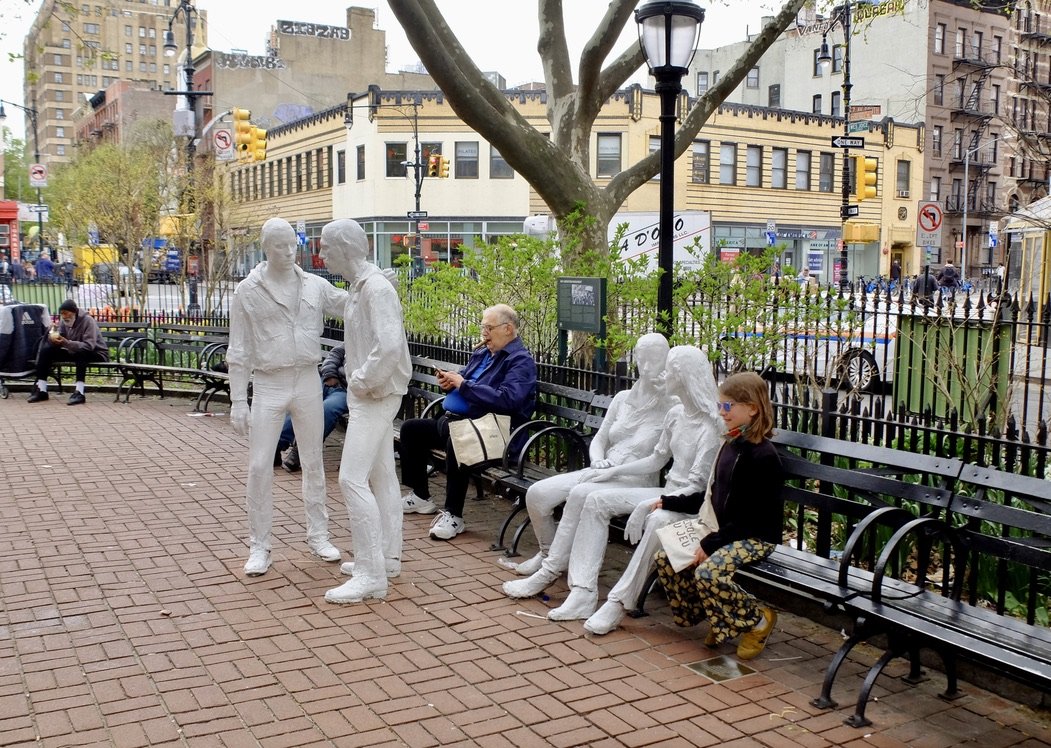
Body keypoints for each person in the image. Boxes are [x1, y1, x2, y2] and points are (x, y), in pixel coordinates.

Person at [504, 346, 724, 623]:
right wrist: (610, 471)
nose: (663, 374)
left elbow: (698, 487)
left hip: (691, 504)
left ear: (684, 376)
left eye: (668, 368)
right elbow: (656, 459)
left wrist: (650, 503)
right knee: (594, 499)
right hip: (666, 492)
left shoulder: (711, 425)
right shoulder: (677, 415)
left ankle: (618, 602)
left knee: (657, 518)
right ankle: (582, 591)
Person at [228, 217, 348, 577]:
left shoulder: (313, 285)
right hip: (268, 383)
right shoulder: (248, 291)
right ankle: (259, 545)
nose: (286, 252)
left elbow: (348, 303)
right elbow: (239, 349)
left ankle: (319, 534)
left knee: (313, 461)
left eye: (291, 245)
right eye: (279, 246)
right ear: (266, 247)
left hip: (307, 380)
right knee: (259, 465)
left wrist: (372, 283)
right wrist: (237, 400)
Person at [502, 333, 675, 578]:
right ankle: (548, 553)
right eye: (642, 359)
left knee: (580, 493)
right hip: (602, 469)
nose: (646, 367)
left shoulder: (672, 406)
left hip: (634, 479)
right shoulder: (623, 399)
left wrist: (667, 395)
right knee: (538, 494)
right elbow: (600, 439)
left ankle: (554, 565)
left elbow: (661, 458)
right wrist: (597, 460)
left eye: (654, 359)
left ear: (666, 361)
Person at [653, 371, 786, 660]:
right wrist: (670, 501)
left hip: (755, 535)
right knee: (666, 560)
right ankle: (723, 619)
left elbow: (752, 517)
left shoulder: (763, 457)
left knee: (708, 572)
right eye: (720, 406)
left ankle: (758, 620)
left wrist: (711, 544)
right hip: (724, 530)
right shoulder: (730, 445)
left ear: (752, 408)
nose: (722, 412)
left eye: (728, 406)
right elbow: (712, 494)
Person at [317, 218, 412, 604]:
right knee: (381, 476)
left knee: (350, 479)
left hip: (374, 394)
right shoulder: (363, 287)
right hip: (371, 394)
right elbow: (348, 312)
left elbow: (389, 347)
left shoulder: (374, 289)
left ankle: (372, 574)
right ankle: (386, 557)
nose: (321, 254)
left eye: (325, 247)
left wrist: (360, 379)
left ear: (345, 248)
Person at [400, 304, 537, 541]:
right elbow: (464, 378)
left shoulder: (520, 362)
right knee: (411, 429)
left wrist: (463, 385)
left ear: (508, 329)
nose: (484, 333)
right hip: (455, 422)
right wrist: (448, 382)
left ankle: (454, 515)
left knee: (459, 440)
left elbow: (508, 400)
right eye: (483, 327)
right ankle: (421, 496)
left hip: (493, 433)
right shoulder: (483, 353)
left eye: (488, 328)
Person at [275, 344, 349, 473]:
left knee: (327, 409)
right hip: (327, 380)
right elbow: (334, 355)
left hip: (345, 391)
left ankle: (301, 451)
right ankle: (276, 446)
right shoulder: (352, 339)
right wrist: (330, 374)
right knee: (302, 403)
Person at [27, 299, 107, 405]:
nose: (64, 316)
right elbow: (61, 339)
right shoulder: (64, 322)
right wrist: (53, 337)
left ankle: (80, 392)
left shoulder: (88, 321)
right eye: (62, 314)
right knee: (47, 350)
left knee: (81, 353)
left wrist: (66, 343)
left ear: (74, 312)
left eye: (66, 313)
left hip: (96, 353)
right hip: (73, 351)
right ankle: (41, 390)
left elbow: (88, 346)